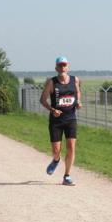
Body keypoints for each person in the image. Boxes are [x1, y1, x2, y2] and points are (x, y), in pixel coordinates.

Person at [39, 57, 82, 185]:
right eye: (60, 65)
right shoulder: (51, 82)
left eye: (64, 65)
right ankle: (56, 159)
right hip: (56, 121)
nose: (62, 67)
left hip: (71, 118)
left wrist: (78, 102)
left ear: (68, 67)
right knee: (56, 150)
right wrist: (52, 110)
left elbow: (78, 92)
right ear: (56, 68)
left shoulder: (75, 80)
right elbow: (42, 100)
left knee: (71, 147)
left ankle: (67, 176)